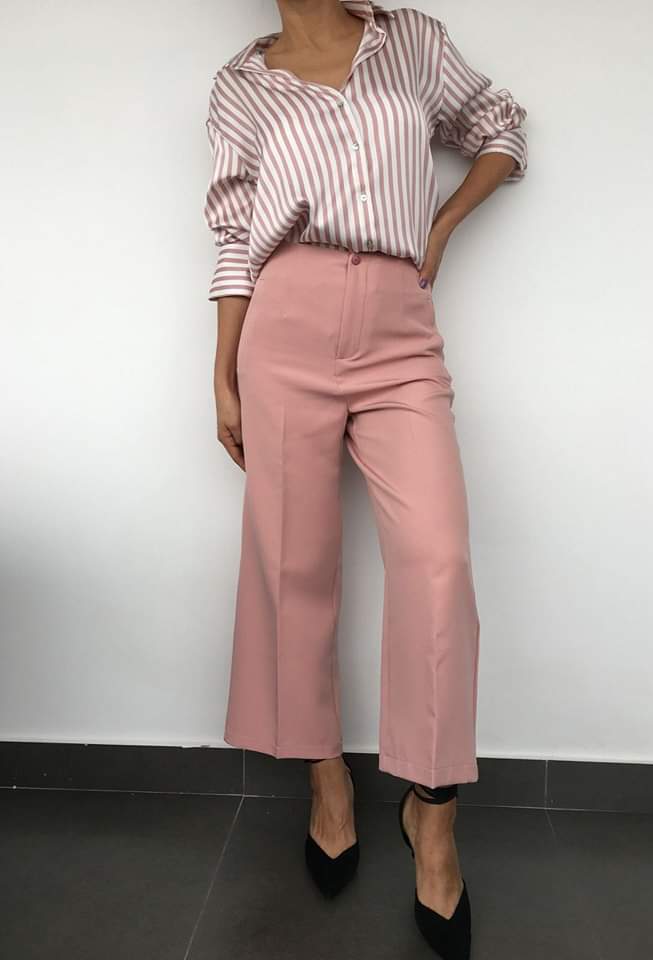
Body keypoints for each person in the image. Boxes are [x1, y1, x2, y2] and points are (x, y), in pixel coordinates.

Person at [202, 2, 527, 957]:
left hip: (397, 325)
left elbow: (500, 126)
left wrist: (443, 223)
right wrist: (221, 371)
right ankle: (325, 776)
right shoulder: (241, 84)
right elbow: (234, 232)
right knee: (291, 564)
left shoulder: (410, 39)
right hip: (284, 321)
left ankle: (433, 812)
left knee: (436, 559)